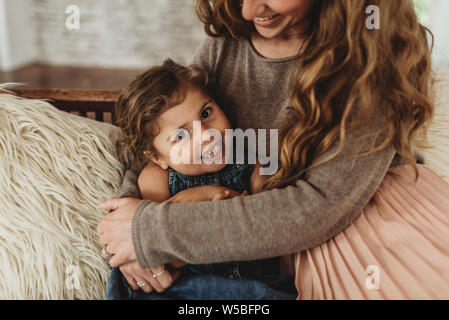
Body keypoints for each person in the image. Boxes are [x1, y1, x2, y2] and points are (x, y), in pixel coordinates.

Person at [97, 0, 449, 299]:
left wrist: (153, 232)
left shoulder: (372, 53)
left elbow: (318, 207)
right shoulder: (231, 39)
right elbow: (156, 134)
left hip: (368, 223)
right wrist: (131, 221)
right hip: (258, 235)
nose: (249, 10)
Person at [106, 59, 297, 300]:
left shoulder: (255, 166)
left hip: (247, 285)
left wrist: (197, 209)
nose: (206, 135)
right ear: (157, 156)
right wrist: (204, 199)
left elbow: (268, 231)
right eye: (181, 135)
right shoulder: (156, 179)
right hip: (183, 288)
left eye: (206, 113)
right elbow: (160, 257)